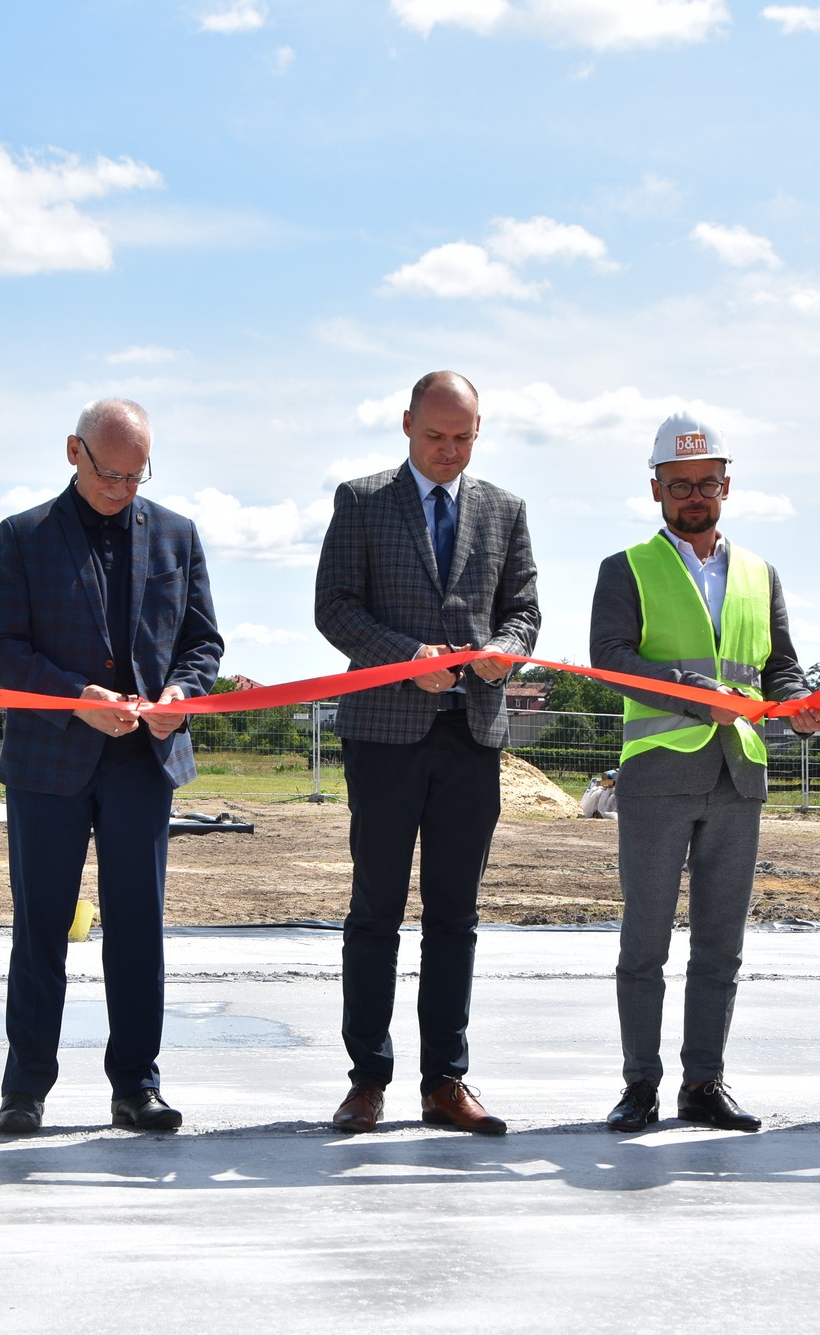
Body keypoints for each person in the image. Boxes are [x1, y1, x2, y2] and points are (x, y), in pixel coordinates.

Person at [0, 398, 223, 1134]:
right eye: (110, 474)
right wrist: (72, 699)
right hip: (50, 758)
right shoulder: (23, 536)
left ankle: (136, 1086)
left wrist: (185, 693)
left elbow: (204, 642)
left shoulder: (178, 534)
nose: (122, 489)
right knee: (41, 927)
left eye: (136, 476)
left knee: (139, 930)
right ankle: (25, 1087)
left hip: (143, 760)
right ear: (73, 453)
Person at [314, 370, 540, 1135]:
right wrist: (409, 654)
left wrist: (505, 649)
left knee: (456, 914)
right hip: (384, 734)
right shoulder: (363, 500)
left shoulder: (504, 510)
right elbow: (334, 607)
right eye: (435, 436)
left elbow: (524, 610)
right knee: (375, 909)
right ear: (406, 424)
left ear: (480, 431)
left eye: (462, 438)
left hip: (472, 736)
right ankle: (367, 1079)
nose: (448, 451)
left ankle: (446, 1080)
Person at [590, 412, 820, 1133]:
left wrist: (796, 706)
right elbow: (612, 659)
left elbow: (779, 666)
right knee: (646, 942)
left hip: (739, 777)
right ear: (656, 486)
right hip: (659, 775)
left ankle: (704, 1082)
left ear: (727, 484)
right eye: (680, 483)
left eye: (707, 483)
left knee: (721, 942)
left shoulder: (759, 572)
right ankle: (640, 1085)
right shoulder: (626, 567)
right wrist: (700, 691)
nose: (695, 495)